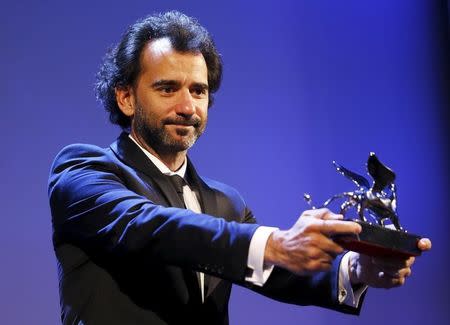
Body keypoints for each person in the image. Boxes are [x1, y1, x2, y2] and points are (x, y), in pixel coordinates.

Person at [48, 11, 431, 325]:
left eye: (198, 91)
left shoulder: (223, 202)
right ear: (126, 97)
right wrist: (276, 243)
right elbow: (151, 227)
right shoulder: (83, 173)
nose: (188, 107)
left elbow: (270, 268)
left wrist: (357, 269)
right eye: (168, 88)